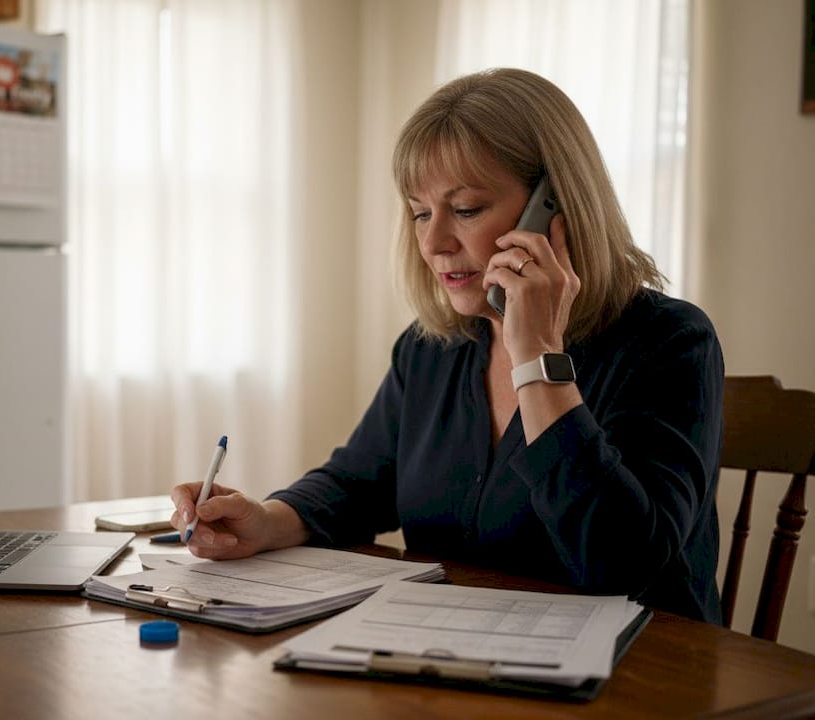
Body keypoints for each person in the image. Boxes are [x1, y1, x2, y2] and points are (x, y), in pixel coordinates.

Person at [169, 68, 724, 624]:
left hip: (641, 677)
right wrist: (266, 521)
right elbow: (357, 483)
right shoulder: (431, 348)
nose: (433, 243)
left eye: (465, 210)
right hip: (461, 661)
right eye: (419, 213)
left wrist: (537, 359)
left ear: (554, 209)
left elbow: (621, 565)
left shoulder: (670, 342)